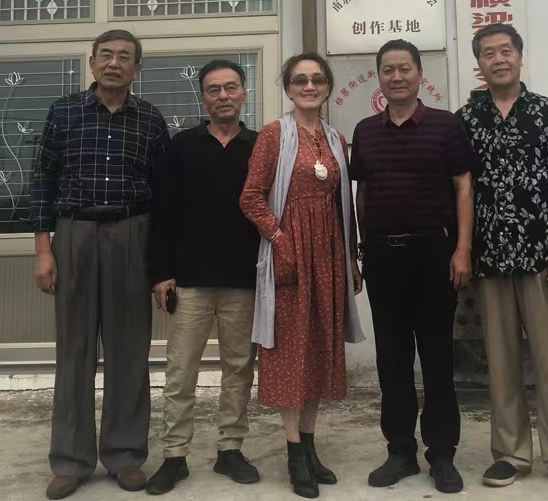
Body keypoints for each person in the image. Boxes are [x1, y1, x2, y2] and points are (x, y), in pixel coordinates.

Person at [456, 24, 548, 492]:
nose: (498, 59)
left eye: (506, 51)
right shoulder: (466, 119)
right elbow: (461, 189)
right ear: (479, 64)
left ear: (520, 56)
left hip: (544, 257)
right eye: (489, 53)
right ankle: (511, 454)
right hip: (491, 258)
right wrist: (463, 248)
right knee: (501, 362)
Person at [31, 30, 171, 500]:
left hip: (132, 232)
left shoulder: (151, 120)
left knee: (130, 350)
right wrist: (44, 250)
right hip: (74, 233)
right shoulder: (64, 111)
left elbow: (164, 193)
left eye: (124, 57)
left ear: (137, 69)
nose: (114, 63)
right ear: (92, 63)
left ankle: (125, 455)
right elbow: (42, 181)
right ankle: (70, 460)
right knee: (74, 350)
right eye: (106, 55)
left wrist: (161, 262)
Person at [351, 39, 474, 495]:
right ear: (379, 77)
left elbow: (464, 188)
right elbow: (362, 193)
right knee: (392, 359)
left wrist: (462, 249)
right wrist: (360, 249)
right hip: (383, 256)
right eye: (388, 69)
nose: (397, 76)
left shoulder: (446, 125)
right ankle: (399, 451)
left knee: (438, 357)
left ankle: (441, 454)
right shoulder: (366, 130)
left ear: (420, 75)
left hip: (434, 255)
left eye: (405, 68)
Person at [239, 53, 364, 499]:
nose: (309, 86)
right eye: (300, 80)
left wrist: (351, 259)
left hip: (328, 255)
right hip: (290, 257)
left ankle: (310, 447)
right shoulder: (274, 135)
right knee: (290, 352)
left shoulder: (335, 138)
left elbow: (343, 205)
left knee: (318, 349)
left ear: (327, 87)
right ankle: (294, 453)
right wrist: (280, 240)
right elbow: (251, 198)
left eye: (316, 79)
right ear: (288, 88)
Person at [145, 60, 261, 494]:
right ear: (203, 97)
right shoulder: (182, 146)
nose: (223, 96)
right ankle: (175, 455)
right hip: (190, 280)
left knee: (239, 369)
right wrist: (161, 273)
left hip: (244, 279)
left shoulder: (260, 146)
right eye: (214, 89)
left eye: (231, 87)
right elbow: (162, 213)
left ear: (244, 93)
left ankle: (230, 449)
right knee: (180, 371)